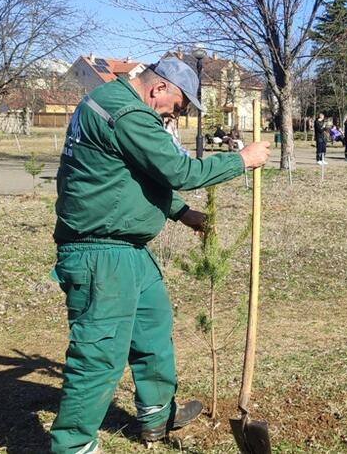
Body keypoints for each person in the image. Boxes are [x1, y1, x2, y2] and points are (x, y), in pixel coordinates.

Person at [49, 57, 271, 453]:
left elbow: (131, 177)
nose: (178, 116)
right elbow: (179, 171)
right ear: (159, 89)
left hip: (128, 250)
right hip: (101, 253)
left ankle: (156, 416)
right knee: (99, 354)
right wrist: (243, 160)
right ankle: (74, 446)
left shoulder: (115, 106)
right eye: (180, 106)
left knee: (152, 332)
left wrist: (184, 214)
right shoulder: (126, 113)